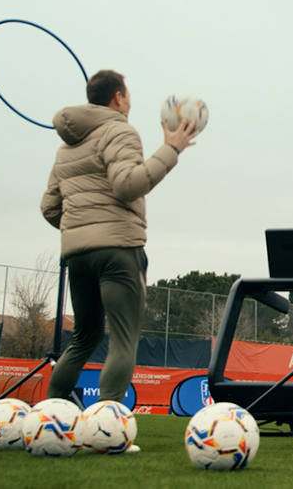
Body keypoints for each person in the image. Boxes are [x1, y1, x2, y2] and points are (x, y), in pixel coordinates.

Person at [41, 70, 199, 432]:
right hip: (118, 251)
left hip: (77, 256)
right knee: (123, 339)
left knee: (84, 336)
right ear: (117, 98)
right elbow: (128, 185)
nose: (130, 101)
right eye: (128, 95)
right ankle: (106, 429)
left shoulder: (67, 147)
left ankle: (47, 418)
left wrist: (82, 229)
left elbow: (50, 208)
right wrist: (171, 148)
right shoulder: (120, 130)